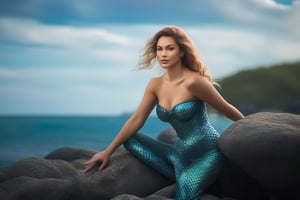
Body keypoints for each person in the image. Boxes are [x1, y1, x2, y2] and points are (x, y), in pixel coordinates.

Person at [84, 25, 244, 200]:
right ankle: (183, 173)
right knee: (130, 140)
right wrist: (107, 152)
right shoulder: (156, 84)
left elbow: (226, 108)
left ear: (182, 52)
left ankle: (188, 178)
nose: (163, 54)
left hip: (207, 154)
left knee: (183, 193)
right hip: (179, 154)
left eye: (170, 48)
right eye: (159, 49)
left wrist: (252, 130)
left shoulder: (194, 82)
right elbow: (137, 118)